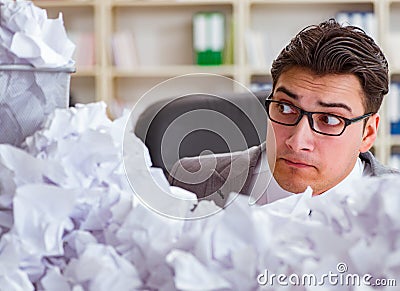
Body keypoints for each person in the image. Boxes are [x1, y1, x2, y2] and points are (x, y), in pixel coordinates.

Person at [167, 19, 399, 207]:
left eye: (329, 119)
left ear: (367, 133)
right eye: (285, 108)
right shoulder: (192, 181)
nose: (297, 142)